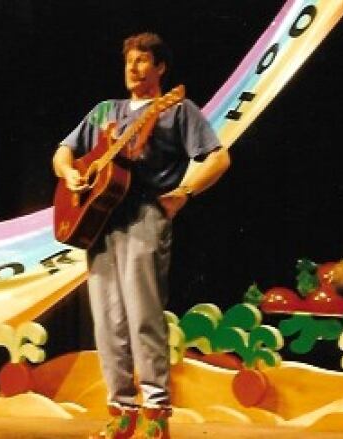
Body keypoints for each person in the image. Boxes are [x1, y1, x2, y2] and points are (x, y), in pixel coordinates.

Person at [52, 32, 230, 439]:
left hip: (143, 216)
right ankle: (120, 409)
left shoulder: (176, 109)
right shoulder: (104, 112)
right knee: (107, 320)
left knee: (142, 316)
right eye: (129, 60)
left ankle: (155, 412)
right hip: (98, 223)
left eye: (142, 61)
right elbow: (64, 152)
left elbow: (219, 157)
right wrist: (72, 172)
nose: (132, 68)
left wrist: (185, 191)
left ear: (161, 68)